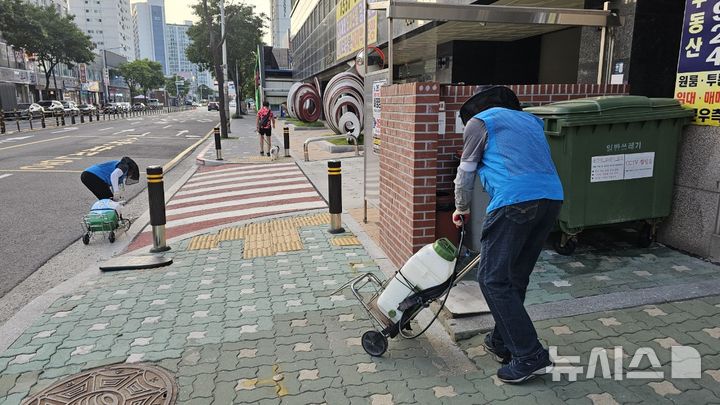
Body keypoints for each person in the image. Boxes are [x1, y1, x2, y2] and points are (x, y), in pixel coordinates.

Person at [452, 86, 564, 384]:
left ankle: (529, 354)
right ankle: (503, 341)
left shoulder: (480, 123)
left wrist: (461, 208)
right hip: (551, 198)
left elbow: (465, 172)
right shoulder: (530, 121)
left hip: (515, 201)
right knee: (515, 277)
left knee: (492, 279)